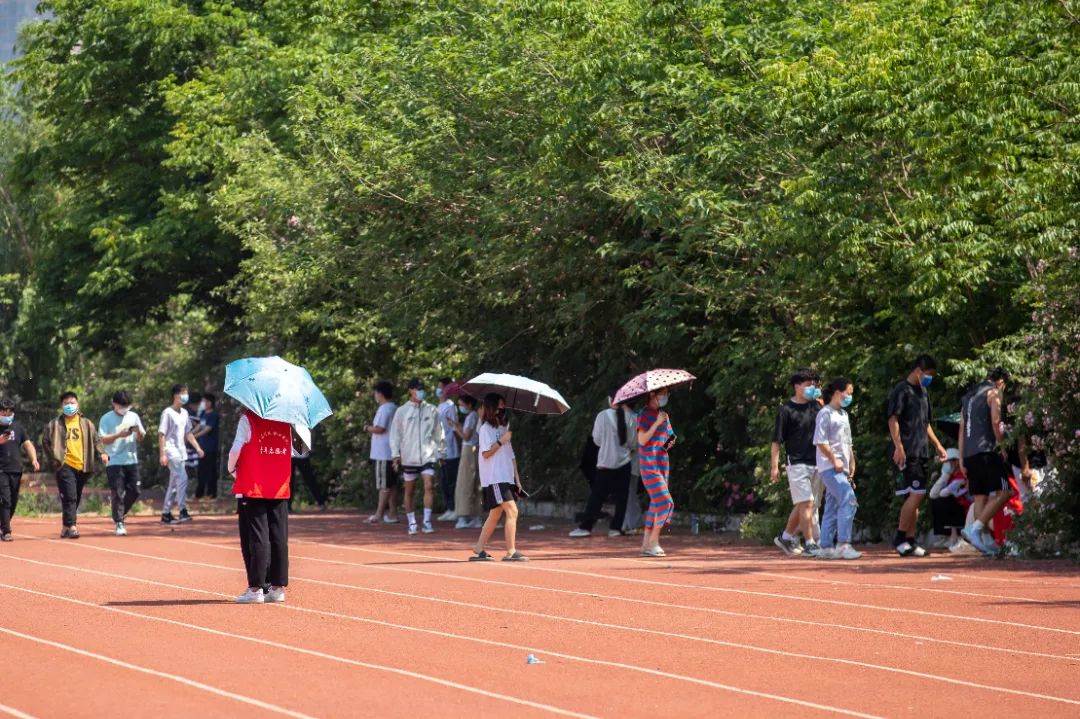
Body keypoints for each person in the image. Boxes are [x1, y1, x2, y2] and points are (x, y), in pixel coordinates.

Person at [227, 409, 292, 604]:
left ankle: (256, 589)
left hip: (253, 483)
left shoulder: (248, 419)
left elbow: (236, 449)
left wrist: (231, 468)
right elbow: (300, 449)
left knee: (256, 536)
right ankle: (277, 588)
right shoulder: (288, 419)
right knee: (279, 536)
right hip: (279, 483)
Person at [888, 354, 948, 557]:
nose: (929, 379)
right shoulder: (901, 390)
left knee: (914, 497)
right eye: (928, 374)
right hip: (907, 450)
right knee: (917, 493)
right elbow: (893, 419)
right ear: (918, 371)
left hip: (922, 450)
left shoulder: (923, 392)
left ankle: (910, 540)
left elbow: (926, 423)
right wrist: (898, 446)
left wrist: (938, 445)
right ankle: (899, 537)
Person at [959, 368, 1014, 556]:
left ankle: (983, 540)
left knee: (980, 496)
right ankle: (975, 529)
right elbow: (995, 421)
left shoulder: (968, 397)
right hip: (987, 450)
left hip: (969, 454)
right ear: (1001, 382)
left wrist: (961, 459)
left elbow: (961, 430)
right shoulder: (994, 392)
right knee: (1006, 492)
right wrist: (1002, 446)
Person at [770, 369, 824, 557]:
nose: (812, 388)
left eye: (813, 384)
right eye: (807, 384)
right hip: (796, 462)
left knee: (806, 504)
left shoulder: (817, 407)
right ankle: (810, 543)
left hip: (817, 461)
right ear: (797, 386)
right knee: (807, 503)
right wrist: (774, 466)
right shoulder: (786, 410)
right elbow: (776, 441)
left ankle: (786, 537)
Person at [570, 389, 636, 538]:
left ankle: (586, 527)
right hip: (624, 462)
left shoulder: (602, 416)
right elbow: (632, 443)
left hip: (606, 462)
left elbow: (596, 440)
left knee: (597, 497)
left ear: (609, 400)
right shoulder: (631, 417)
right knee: (622, 498)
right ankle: (615, 528)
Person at [42, 392, 108, 539]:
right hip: (64, 464)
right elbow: (45, 441)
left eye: (72, 403)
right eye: (66, 403)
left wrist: (102, 453)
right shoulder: (54, 424)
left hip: (83, 465)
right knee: (71, 496)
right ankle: (72, 527)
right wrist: (53, 459)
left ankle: (65, 526)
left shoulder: (87, 424)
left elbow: (96, 440)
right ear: (61, 406)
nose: (70, 406)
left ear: (78, 404)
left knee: (75, 497)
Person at [469, 393, 527, 561]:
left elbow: (511, 456)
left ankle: (479, 547)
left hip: (506, 476)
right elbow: (486, 453)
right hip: (495, 477)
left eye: (503, 405)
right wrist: (501, 441)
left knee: (495, 514)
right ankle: (510, 551)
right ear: (491, 407)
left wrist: (517, 479)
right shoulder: (485, 429)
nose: (502, 408)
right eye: (499, 405)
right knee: (512, 510)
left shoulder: (503, 429)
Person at [389, 378, 445, 535]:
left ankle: (427, 522)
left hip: (428, 455)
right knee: (410, 490)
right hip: (409, 456)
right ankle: (412, 522)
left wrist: (442, 452)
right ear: (410, 391)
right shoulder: (402, 411)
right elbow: (395, 434)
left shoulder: (432, 410)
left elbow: (438, 432)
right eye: (417, 389)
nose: (420, 391)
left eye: (422, 388)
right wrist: (395, 454)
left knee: (428, 485)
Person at [814, 377, 861, 560]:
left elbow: (847, 441)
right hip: (829, 467)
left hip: (842, 467)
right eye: (848, 393)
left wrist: (851, 461)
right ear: (837, 393)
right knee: (848, 499)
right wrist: (834, 460)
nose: (849, 396)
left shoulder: (843, 414)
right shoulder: (825, 413)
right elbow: (821, 441)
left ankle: (825, 546)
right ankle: (843, 544)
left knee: (833, 505)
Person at [98, 391, 146, 536]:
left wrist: (138, 432)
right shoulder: (106, 418)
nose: (124, 408)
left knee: (135, 490)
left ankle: (118, 512)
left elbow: (141, 438)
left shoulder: (133, 416)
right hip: (114, 460)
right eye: (121, 405)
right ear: (114, 403)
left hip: (131, 459)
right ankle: (119, 522)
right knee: (117, 491)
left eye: (126, 406)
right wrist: (119, 435)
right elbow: (102, 439)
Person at [637, 388, 675, 557]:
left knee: (655, 503)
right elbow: (642, 440)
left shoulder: (663, 415)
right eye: (663, 393)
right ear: (653, 395)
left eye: (667, 394)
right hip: (649, 464)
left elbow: (668, 440)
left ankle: (646, 544)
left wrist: (670, 440)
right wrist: (656, 423)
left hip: (662, 464)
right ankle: (654, 541)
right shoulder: (644, 414)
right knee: (666, 503)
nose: (666, 397)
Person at [159, 384, 204, 524]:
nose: (185, 395)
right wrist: (162, 454)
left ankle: (166, 513)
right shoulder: (167, 412)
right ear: (175, 395)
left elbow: (188, 433)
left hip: (181, 451)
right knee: (183, 478)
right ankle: (182, 510)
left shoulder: (184, 413)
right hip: (171, 451)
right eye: (183, 393)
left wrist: (197, 447)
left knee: (174, 484)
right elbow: (161, 434)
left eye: (186, 392)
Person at [0, 398, 40, 541]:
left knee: (13, 500)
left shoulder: (18, 427)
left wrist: (34, 459)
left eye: (9, 412)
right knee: (5, 500)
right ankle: (6, 531)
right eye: (4, 412)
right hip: (1, 470)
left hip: (16, 469)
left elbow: (28, 444)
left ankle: (3, 524)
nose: (6, 415)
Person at [365, 380, 399, 524]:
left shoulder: (384, 409)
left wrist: (367, 428)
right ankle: (392, 513)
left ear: (380, 394)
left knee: (384, 485)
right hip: (392, 450)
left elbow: (380, 428)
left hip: (382, 452)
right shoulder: (394, 408)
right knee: (392, 484)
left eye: (376, 393)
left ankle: (379, 514)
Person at [450, 394, 483, 529]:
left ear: (469, 404)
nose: (460, 407)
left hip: (469, 450)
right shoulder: (474, 416)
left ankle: (464, 516)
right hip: (476, 450)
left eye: (461, 404)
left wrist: (455, 427)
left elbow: (466, 436)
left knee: (465, 482)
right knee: (475, 483)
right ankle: (476, 515)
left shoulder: (471, 416)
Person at [928, 448, 971, 549]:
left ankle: (957, 537)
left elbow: (944, 493)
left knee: (945, 499)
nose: (946, 464)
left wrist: (945, 476)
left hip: (966, 508)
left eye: (948, 462)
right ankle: (946, 536)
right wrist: (944, 475)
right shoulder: (949, 476)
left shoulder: (962, 475)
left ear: (956, 462)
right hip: (959, 507)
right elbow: (932, 494)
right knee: (936, 501)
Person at [435, 377, 460, 521]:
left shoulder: (450, 406)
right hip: (440, 448)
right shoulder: (439, 406)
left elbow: (454, 427)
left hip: (450, 447)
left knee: (451, 479)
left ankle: (455, 508)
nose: (438, 390)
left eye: (441, 387)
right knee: (444, 480)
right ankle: (448, 507)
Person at [193, 393, 221, 499]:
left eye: (205, 401)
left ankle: (211, 494)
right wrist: (189, 434)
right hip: (202, 448)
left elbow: (207, 429)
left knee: (211, 472)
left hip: (211, 448)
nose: (203, 404)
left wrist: (193, 436)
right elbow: (199, 426)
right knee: (201, 471)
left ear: (210, 402)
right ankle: (199, 494)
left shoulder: (214, 415)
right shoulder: (203, 414)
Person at [289, 436, 327, 512]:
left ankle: (321, 502)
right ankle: (287, 505)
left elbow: (308, 433)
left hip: (303, 454)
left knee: (310, 479)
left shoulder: (303, 424)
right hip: (290, 455)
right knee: (290, 481)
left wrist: (310, 445)